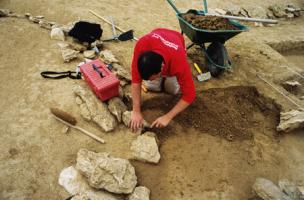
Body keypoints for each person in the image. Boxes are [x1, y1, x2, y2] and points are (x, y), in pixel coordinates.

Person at [129, 28, 196, 131]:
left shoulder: (179, 62)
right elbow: (136, 80)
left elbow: (190, 95)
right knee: (151, 86)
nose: (150, 80)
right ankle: (158, 81)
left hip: (176, 42)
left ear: (161, 69)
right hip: (158, 33)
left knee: (171, 90)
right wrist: (136, 111)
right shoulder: (142, 45)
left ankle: (166, 79)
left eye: (153, 78)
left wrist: (167, 117)